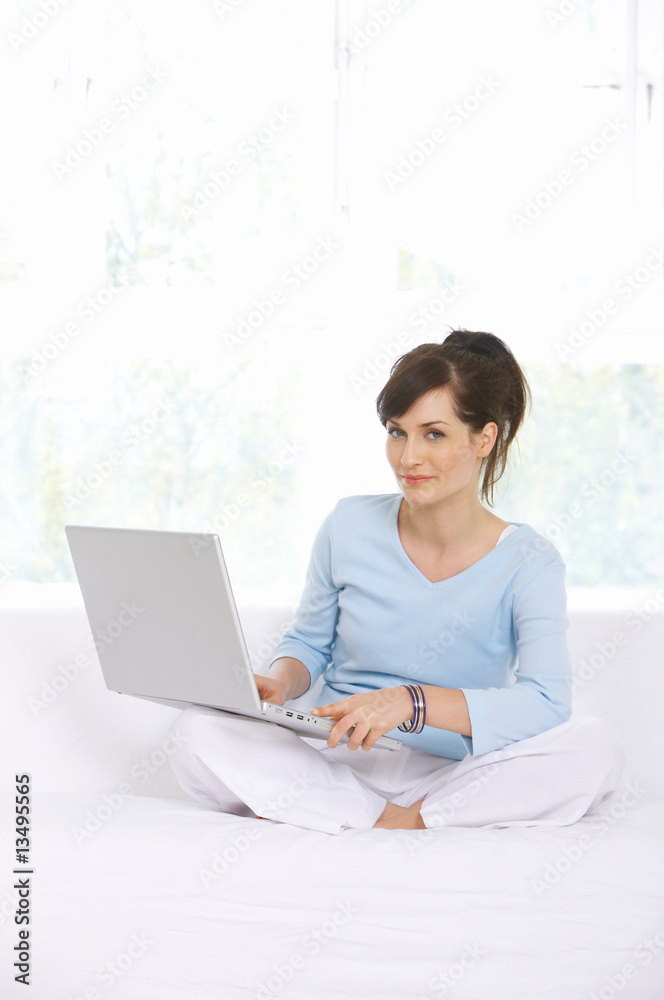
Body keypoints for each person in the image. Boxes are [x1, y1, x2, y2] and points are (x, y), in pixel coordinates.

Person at [168, 330, 624, 836]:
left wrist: (410, 702)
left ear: (484, 438)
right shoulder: (348, 524)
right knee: (196, 730)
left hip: (450, 773)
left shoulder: (530, 562)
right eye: (396, 431)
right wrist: (281, 681)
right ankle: (392, 820)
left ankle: (368, 814)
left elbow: (544, 703)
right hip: (336, 757)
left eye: (434, 434)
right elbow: (308, 643)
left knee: (594, 746)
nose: (408, 458)